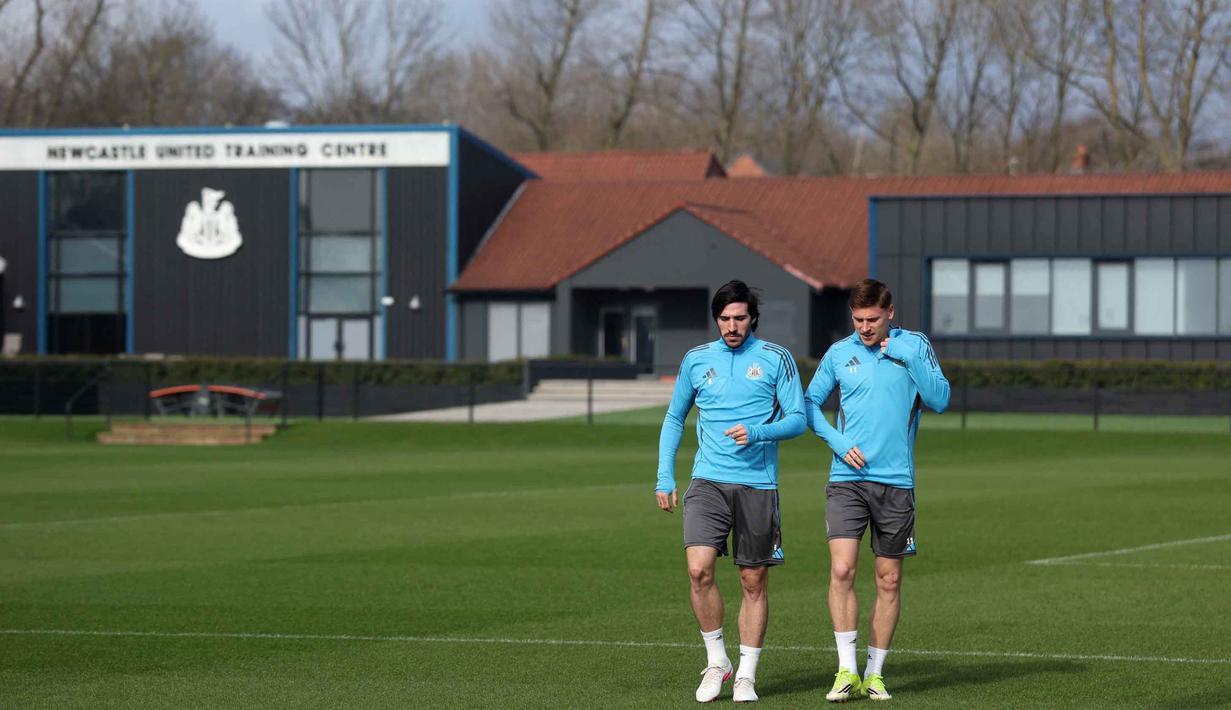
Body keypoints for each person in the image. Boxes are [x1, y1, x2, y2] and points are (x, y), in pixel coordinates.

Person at [656, 279, 806, 704]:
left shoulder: (777, 359)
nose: (732, 326)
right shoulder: (696, 360)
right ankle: (717, 661)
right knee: (698, 569)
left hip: (758, 485)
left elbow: (798, 419)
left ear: (752, 318)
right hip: (707, 481)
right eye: (724, 319)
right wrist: (665, 476)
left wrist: (759, 432)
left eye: (739, 318)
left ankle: (747, 674)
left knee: (752, 580)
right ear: (716, 320)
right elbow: (673, 418)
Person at [804, 279, 949, 702]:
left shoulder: (915, 346)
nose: (865, 328)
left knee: (888, 579)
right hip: (846, 480)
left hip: (896, 482)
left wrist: (904, 356)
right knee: (842, 569)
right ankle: (846, 669)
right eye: (858, 320)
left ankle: (875, 672)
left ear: (890, 313)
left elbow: (940, 398)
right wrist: (837, 441)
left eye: (872, 320)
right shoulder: (839, 352)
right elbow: (809, 404)